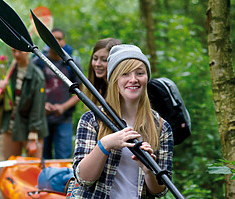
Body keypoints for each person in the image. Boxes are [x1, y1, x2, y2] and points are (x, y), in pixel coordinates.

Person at [73, 44, 173, 198]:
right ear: (114, 80)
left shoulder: (161, 127)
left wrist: (149, 170)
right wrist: (105, 144)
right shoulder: (92, 120)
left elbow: (160, 190)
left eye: (140, 73)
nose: (133, 80)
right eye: (125, 74)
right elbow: (84, 179)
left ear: (147, 78)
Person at [33, 27, 83, 159]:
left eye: (59, 39)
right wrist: (42, 105)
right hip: (41, 119)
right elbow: (30, 91)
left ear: (64, 42)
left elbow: (81, 93)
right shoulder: (38, 62)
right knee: (42, 159)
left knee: (64, 158)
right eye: (53, 38)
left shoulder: (72, 64)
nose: (56, 41)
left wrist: (63, 107)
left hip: (64, 118)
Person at [0, 48, 48, 159]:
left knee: (33, 167)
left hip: (31, 127)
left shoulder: (36, 75)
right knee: (10, 165)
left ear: (28, 51)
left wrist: (33, 137)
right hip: (12, 125)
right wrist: (1, 91)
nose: (16, 54)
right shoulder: (9, 71)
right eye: (13, 51)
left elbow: (37, 108)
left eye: (20, 51)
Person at [84, 38, 121, 105]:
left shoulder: (123, 90)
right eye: (95, 58)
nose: (97, 64)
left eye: (104, 60)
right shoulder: (102, 87)